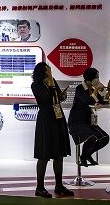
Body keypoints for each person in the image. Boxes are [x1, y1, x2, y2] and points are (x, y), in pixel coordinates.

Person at [31, 62, 74, 198]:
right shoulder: (36, 85)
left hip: (58, 117)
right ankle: (39, 187)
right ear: (42, 72)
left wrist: (63, 96)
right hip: (46, 120)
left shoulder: (52, 81)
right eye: (48, 70)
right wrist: (50, 83)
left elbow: (56, 98)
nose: (51, 73)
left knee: (59, 153)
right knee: (43, 154)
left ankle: (59, 185)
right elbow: (47, 98)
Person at [68, 67, 110, 166]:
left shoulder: (92, 89)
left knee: (105, 138)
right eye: (97, 77)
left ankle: (86, 155)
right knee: (93, 135)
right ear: (91, 79)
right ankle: (84, 157)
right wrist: (96, 90)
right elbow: (89, 101)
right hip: (77, 122)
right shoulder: (80, 88)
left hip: (89, 122)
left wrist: (105, 90)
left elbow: (102, 101)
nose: (98, 79)